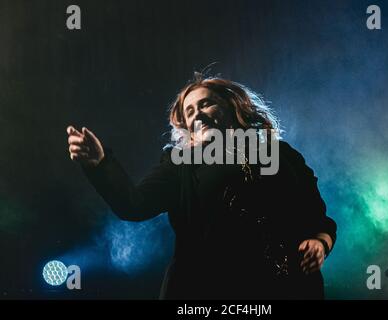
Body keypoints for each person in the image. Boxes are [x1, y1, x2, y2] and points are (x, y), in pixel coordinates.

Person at [66, 76, 337, 299]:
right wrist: (100, 164)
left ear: (232, 105)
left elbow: (317, 217)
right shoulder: (180, 164)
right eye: (190, 112)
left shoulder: (280, 154)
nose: (198, 116)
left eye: (206, 104)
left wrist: (320, 243)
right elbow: (133, 205)